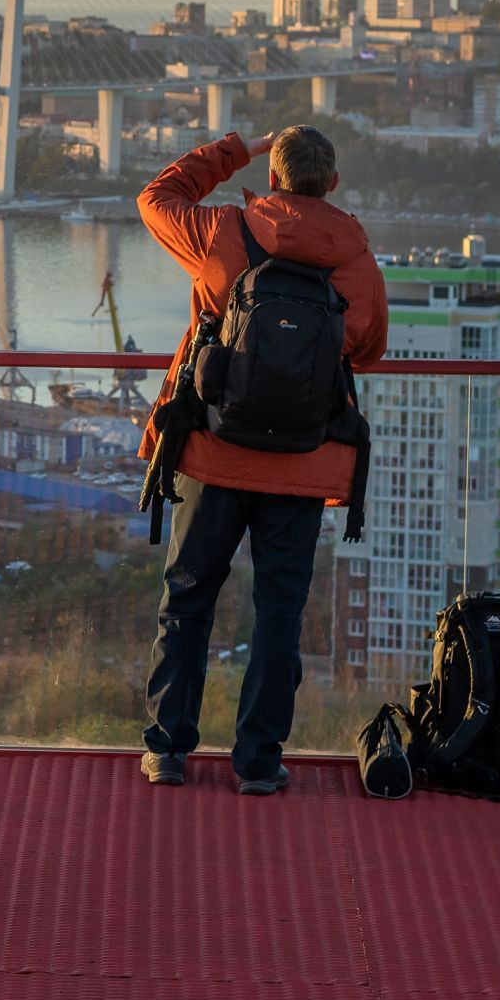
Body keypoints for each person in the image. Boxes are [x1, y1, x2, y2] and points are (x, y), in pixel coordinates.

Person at [135, 125, 387, 792]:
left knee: (187, 599)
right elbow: (366, 351)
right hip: (303, 464)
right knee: (278, 612)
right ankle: (257, 761)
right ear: (332, 184)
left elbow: (157, 196)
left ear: (272, 178)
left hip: (212, 451)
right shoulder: (354, 257)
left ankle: (168, 749)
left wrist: (235, 148)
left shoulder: (223, 230)